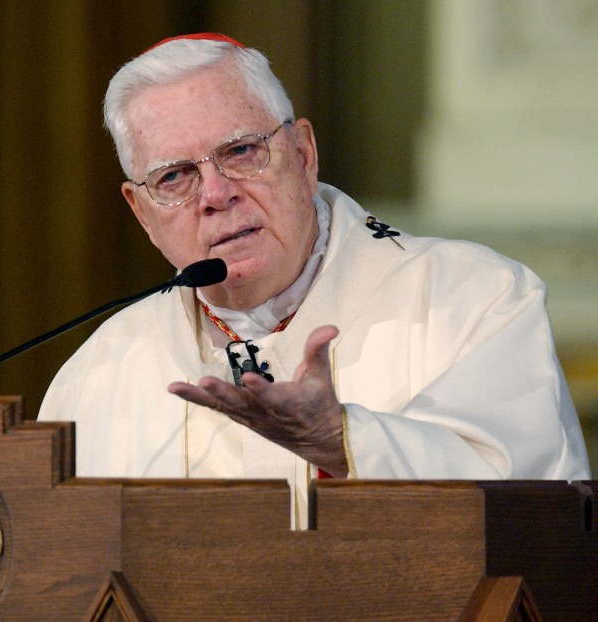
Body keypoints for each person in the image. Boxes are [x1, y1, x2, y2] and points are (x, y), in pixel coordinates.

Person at [38, 33, 590, 528]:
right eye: (175, 177)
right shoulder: (96, 377)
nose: (215, 194)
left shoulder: (475, 299)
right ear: (142, 213)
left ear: (303, 155)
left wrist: (344, 443)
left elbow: (534, 515)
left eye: (240, 152)